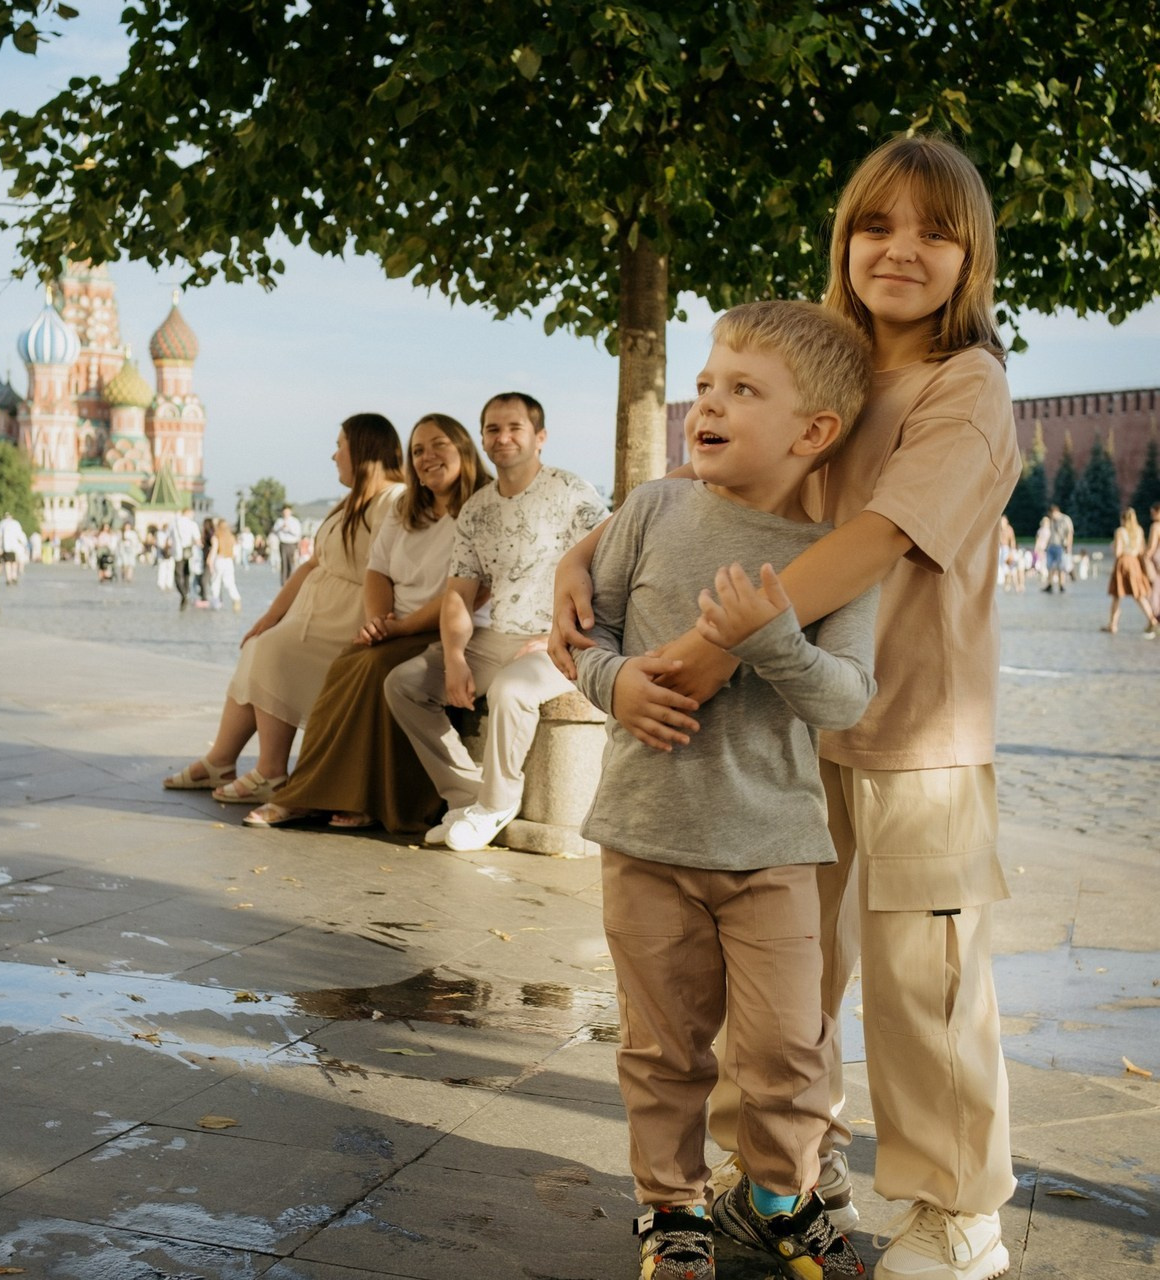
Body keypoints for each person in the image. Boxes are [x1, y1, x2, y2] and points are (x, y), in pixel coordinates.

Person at [552, 135, 1022, 1280]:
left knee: (925, 980)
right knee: (783, 993)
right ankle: (776, 1181)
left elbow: (873, 537)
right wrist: (586, 544)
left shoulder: (965, 386)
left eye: (932, 231)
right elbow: (722, 484)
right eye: (874, 225)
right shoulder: (828, 369)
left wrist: (711, 648)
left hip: (912, 727)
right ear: (841, 238)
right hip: (784, 735)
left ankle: (956, 1210)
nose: (899, 250)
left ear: (970, 256)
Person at [574, 301, 876, 1280]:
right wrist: (610, 682)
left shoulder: (834, 556)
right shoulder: (651, 510)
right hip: (646, 836)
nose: (705, 401)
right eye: (705, 383)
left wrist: (771, 638)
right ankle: (669, 1206)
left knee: (788, 1044)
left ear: (812, 432)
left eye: (742, 390)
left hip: (775, 849)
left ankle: (781, 1194)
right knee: (663, 1048)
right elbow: (586, 634)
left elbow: (844, 698)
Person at [246, 414, 492, 832]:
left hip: (452, 626)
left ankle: (354, 798)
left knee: (381, 670)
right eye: (417, 450)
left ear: (464, 449)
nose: (427, 457)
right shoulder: (406, 506)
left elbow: (468, 592)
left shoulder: (483, 506)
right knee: (349, 664)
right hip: (398, 624)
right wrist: (379, 622)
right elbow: (377, 571)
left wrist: (401, 628)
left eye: (439, 446)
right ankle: (316, 791)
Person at [385, 392, 608, 852]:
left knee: (513, 689)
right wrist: (453, 659)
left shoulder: (571, 492)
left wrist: (560, 632)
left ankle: (497, 803)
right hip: (498, 634)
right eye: (492, 429)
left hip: (565, 637)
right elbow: (458, 595)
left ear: (539, 437)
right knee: (404, 683)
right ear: (483, 439)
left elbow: (611, 568)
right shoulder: (477, 509)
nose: (502, 437)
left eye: (514, 428)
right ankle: (468, 794)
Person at [163, 414, 404, 802]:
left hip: (347, 618)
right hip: (319, 614)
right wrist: (271, 616)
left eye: (340, 445)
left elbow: (388, 570)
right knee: (258, 644)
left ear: (361, 450)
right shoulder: (351, 502)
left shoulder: (392, 500)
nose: (333, 455)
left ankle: (272, 771)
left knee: (272, 651)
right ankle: (221, 759)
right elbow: (313, 563)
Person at [1101, 507, 1157, 636]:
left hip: (1123, 563)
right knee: (1139, 595)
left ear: (1123, 519)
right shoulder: (1139, 530)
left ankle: (1113, 624)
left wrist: (1113, 545)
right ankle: (1152, 620)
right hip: (1135, 563)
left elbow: (1118, 552)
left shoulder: (1120, 531)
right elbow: (1142, 549)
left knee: (1117, 595)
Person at [165, 506, 201, 608]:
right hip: (189, 553)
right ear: (188, 512)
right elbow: (198, 540)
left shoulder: (174, 523)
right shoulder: (192, 524)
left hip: (177, 552)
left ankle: (183, 594)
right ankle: (186, 593)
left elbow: (167, 538)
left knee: (177, 575)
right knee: (186, 574)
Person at [208, 517, 242, 612]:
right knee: (230, 582)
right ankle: (236, 598)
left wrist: (210, 561)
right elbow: (235, 552)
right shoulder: (231, 537)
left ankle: (216, 602)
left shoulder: (216, 536)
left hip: (219, 560)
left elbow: (214, 550)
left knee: (216, 581)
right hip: (229, 561)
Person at [1043, 502, 1073, 593]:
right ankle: (1050, 584)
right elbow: (1051, 534)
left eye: (1051, 514)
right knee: (1049, 566)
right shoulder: (1052, 520)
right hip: (1051, 546)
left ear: (1055, 512)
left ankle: (1061, 585)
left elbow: (1070, 533)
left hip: (1061, 546)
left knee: (1060, 566)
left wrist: (1068, 546)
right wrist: (1046, 545)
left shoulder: (1065, 519)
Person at [272, 504, 303, 585]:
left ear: (290, 512)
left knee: (291, 563)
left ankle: (290, 580)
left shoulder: (295, 521)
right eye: (284, 512)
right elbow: (274, 531)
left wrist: (289, 528)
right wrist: (281, 527)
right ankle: (283, 582)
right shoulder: (279, 521)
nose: (285, 513)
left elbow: (297, 533)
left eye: (287, 512)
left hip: (292, 544)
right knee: (284, 563)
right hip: (283, 543)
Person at [0, 512, 27, 585]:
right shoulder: (16, 523)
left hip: (6, 546)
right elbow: (20, 534)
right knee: (14, 562)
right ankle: (14, 576)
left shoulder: (2, 523)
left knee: (7, 563)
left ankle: (8, 577)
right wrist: (23, 543)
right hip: (15, 547)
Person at [1147, 502, 1160, 620]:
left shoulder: (1156, 526)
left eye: (1153, 512)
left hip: (1157, 562)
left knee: (1155, 590)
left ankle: (1156, 618)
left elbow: (1151, 547)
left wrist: (1144, 557)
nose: (1151, 515)